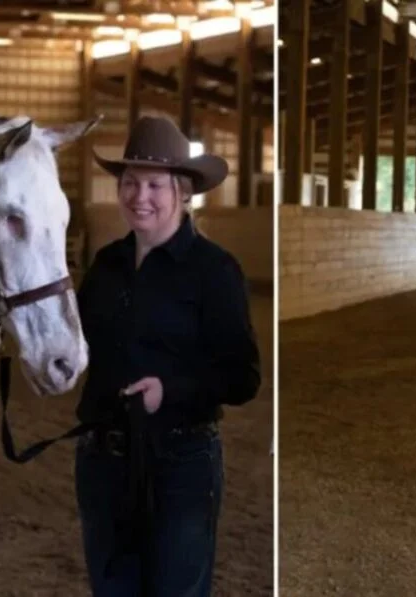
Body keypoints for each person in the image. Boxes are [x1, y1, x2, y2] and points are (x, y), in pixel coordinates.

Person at [74, 115, 262, 596]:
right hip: (103, 461)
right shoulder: (106, 265)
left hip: (181, 462)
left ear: (183, 192)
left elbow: (244, 377)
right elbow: (76, 344)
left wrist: (171, 391)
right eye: (130, 183)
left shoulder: (214, 271)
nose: (140, 197)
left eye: (155, 185)